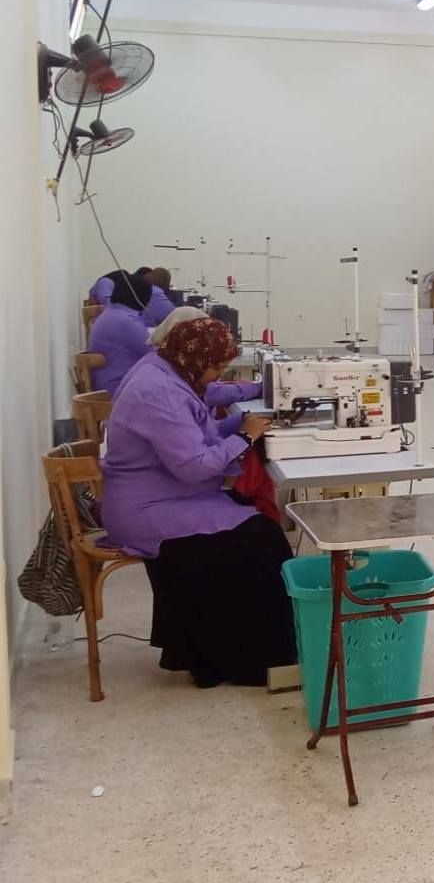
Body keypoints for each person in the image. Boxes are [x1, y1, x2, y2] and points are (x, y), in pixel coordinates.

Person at [100, 318, 294, 688]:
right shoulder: (158, 391)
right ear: (196, 358)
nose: (218, 375)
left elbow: (192, 434)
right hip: (147, 510)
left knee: (257, 527)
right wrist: (244, 438)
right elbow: (193, 466)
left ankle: (220, 653)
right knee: (263, 540)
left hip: (163, 494)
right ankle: (252, 661)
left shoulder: (164, 370)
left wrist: (240, 424)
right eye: (217, 367)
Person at [146, 307, 262, 435]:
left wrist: (238, 422)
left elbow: (204, 432)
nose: (221, 374)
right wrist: (246, 437)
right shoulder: (168, 389)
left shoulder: (161, 362)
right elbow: (214, 393)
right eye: (219, 367)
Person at [86, 270, 152, 397]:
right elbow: (155, 351)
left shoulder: (112, 313)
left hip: (108, 384)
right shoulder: (126, 322)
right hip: (120, 389)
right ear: (142, 298)